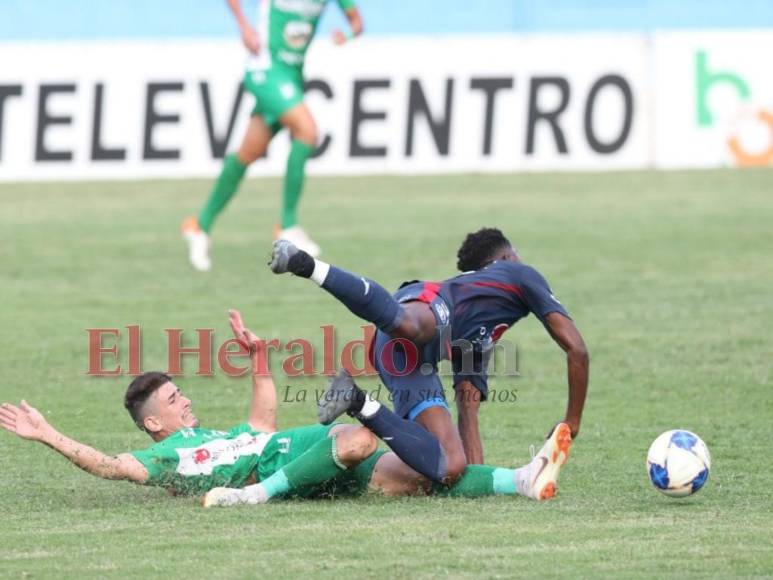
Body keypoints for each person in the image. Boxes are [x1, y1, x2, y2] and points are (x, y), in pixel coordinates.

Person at [0, 310, 573, 507]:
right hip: (299, 461)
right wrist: (48, 434)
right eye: (175, 399)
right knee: (359, 437)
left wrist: (259, 361)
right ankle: (253, 499)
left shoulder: (220, 433)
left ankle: (520, 480)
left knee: (430, 470)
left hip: (304, 464)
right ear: (155, 423)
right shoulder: (170, 459)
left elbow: (261, 425)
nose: (187, 398)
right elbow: (108, 465)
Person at [268, 227, 589, 486]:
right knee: (412, 326)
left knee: (450, 465)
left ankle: (356, 401)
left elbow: (468, 410)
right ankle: (305, 265)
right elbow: (576, 348)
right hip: (421, 308)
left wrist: (476, 480)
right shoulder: (520, 274)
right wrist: (571, 421)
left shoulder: (480, 340)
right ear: (505, 257)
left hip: (400, 360)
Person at [182, 0, 364, 271]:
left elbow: (357, 22)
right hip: (265, 69)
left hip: (292, 76)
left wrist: (346, 35)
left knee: (248, 153)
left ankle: (200, 225)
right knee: (307, 130)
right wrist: (244, 27)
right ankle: (287, 225)